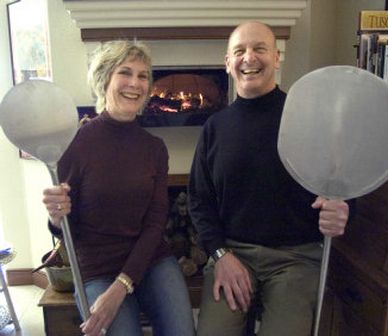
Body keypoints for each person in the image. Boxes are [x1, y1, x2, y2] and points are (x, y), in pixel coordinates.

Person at [188, 21, 352, 336]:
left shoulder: (308, 118)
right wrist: (220, 254)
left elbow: (343, 185)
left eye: (259, 49)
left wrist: (345, 209)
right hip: (232, 253)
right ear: (227, 63)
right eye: (240, 51)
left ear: (276, 58)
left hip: (296, 258)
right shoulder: (215, 127)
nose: (249, 58)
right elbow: (198, 199)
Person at [42, 40, 195, 336]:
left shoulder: (155, 149)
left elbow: (154, 223)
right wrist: (54, 217)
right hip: (97, 268)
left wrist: (122, 285)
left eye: (143, 76)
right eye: (125, 73)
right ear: (104, 79)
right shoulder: (73, 144)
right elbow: (65, 230)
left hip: (150, 260)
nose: (135, 84)